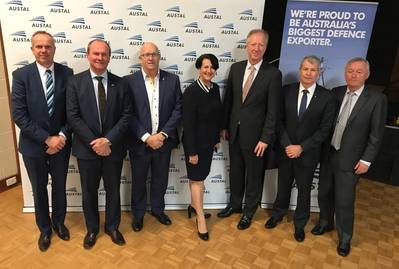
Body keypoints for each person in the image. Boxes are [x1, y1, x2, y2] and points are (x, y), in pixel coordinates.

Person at [311, 57, 387, 256]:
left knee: (344, 202)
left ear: (367, 75)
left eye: (358, 72)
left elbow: (376, 134)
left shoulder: (377, 99)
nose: (353, 75)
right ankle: (325, 223)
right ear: (345, 73)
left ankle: (345, 238)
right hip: (329, 154)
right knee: (324, 194)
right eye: (350, 71)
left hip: (352, 160)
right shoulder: (336, 93)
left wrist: (366, 160)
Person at [66, 39, 131, 249]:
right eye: (96, 53)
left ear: (109, 57)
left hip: (113, 148)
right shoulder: (74, 82)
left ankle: (112, 227)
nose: (100, 58)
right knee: (89, 191)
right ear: (88, 55)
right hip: (87, 150)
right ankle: (92, 228)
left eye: (104, 54)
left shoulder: (121, 83)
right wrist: (96, 142)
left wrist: (108, 140)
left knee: (113, 190)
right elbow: (73, 117)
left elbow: (126, 116)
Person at [11, 31, 73, 251]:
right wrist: (47, 138)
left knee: (59, 187)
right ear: (32, 49)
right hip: (33, 146)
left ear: (54, 48)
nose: (44, 50)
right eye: (39, 46)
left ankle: (59, 224)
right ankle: (45, 230)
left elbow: (72, 112)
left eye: (48, 46)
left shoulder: (68, 73)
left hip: (61, 145)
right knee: (39, 189)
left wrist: (61, 136)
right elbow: (19, 115)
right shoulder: (20, 76)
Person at [264, 56, 335, 242]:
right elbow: (278, 121)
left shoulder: (327, 97)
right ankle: (278, 214)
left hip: (308, 155)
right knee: (283, 186)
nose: (309, 73)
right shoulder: (287, 91)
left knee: (304, 191)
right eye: (305, 69)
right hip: (286, 151)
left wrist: (301, 147)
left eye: (313, 70)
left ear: (318, 72)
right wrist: (287, 144)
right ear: (300, 70)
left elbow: (325, 130)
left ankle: (299, 224)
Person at [218, 29, 282, 230]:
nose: (256, 48)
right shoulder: (236, 69)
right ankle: (235, 205)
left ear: (265, 48)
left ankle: (249, 211)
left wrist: (265, 138)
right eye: (253, 44)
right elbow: (228, 101)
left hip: (257, 139)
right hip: (234, 133)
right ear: (247, 46)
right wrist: (223, 126)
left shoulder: (273, 74)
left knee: (254, 176)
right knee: (236, 172)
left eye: (260, 45)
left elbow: (273, 111)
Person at [123, 42, 182, 232]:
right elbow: (127, 114)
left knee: (160, 179)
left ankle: (158, 210)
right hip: (140, 143)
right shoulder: (129, 82)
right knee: (138, 181)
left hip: (163, 143)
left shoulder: (172, 80)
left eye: (154, 54)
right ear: (140, 58)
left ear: (159, 56)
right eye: (146, 55)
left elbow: (178, 110)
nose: (150, 58)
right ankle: (138, 214)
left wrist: (163, 135)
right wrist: (147, 137)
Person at [182, 54, 222, 241]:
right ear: (199, 68)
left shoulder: (214, 89)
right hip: (195, 145)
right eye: (205, 67)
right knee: (197, 181)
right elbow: (188, 125)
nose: (209, 70)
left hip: (208, 144)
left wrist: (216, 139)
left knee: (199, 178)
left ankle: (193, 206)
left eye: (212, 67)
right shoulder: (191, 92)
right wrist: (191, 152)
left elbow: (216, 117)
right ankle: (200, 218)